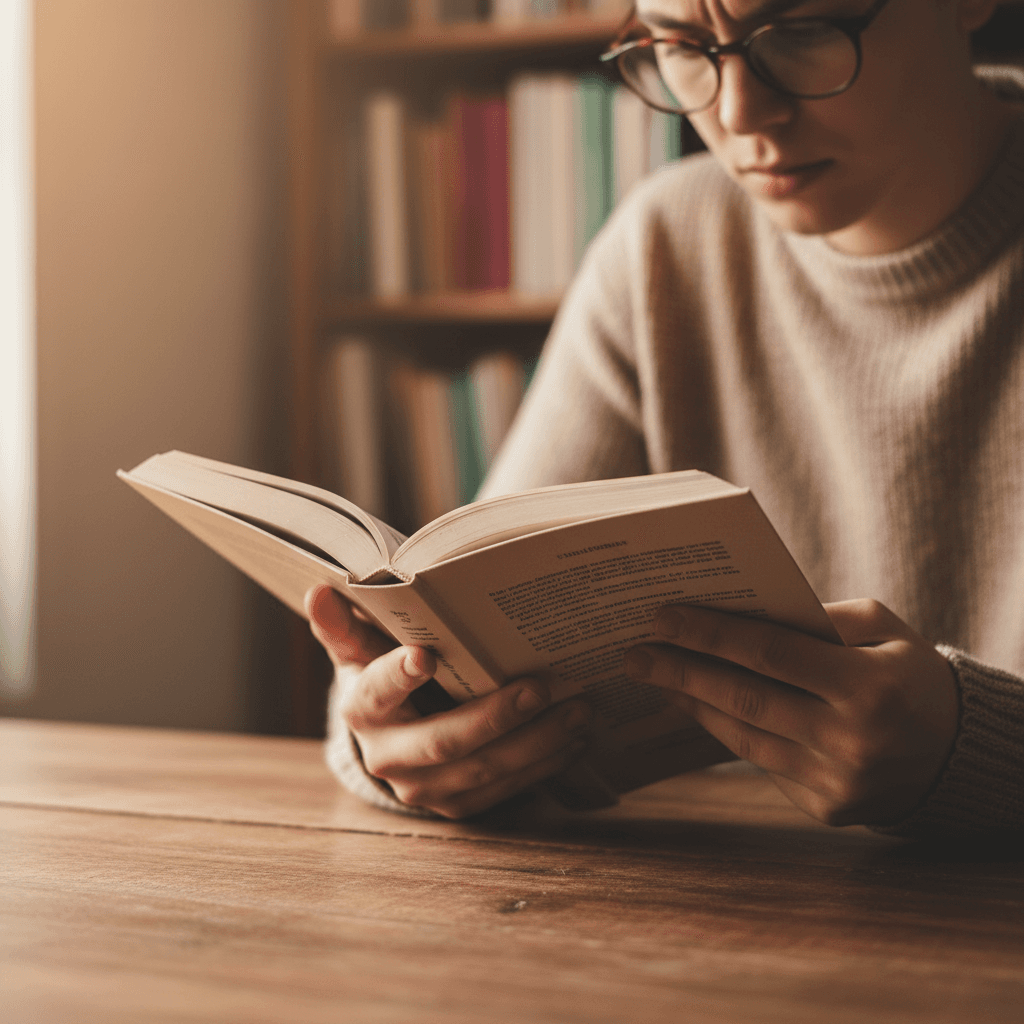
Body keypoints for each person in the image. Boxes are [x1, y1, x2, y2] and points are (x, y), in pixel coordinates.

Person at [310, 0, 1024, 834]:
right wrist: (401, 734)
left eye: (802, 31)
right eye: (682, 46)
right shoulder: (668, 243)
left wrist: (985, 755)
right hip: (733, 917)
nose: (737, 112)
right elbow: (462, 624)